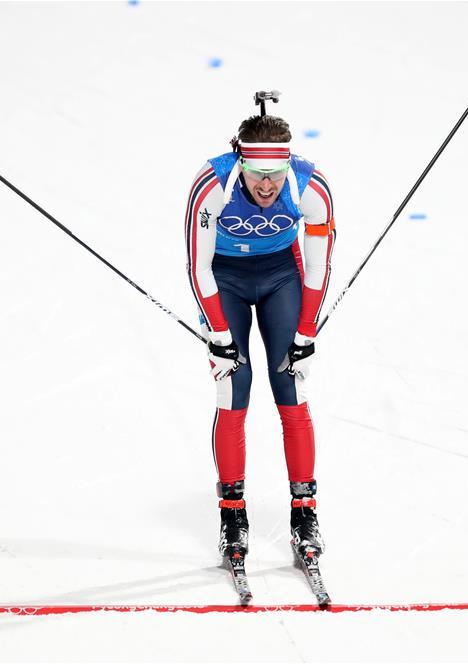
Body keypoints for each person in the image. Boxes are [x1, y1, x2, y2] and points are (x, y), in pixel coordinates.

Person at [184, 108, 336, 564]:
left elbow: (316, 267)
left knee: (290, 386)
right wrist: (218, 332)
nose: (266, 185)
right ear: (241, 163)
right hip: (225, 279)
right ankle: (233, 516)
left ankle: (304, 513)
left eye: (275, 174)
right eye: (256, 174)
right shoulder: (212, 186)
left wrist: (306, 334)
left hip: (279, 277)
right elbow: (198, 266)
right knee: (234, 388)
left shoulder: (310, 188)